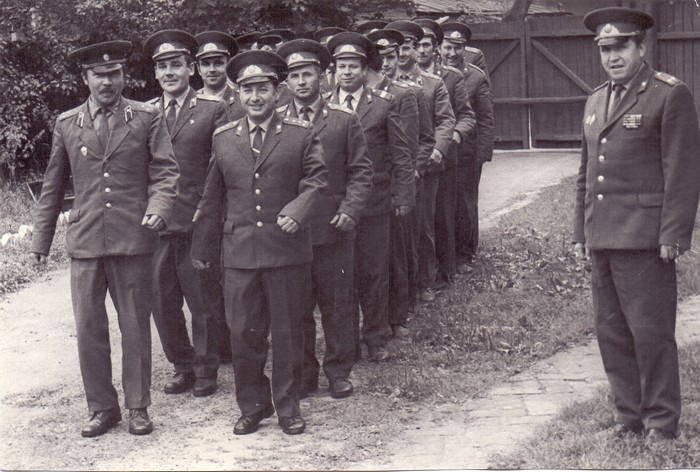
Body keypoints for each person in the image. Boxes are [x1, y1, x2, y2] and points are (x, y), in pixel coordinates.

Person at [29, 40, 179, 437]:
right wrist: (40, 242)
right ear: (86, 78)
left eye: (114, 74)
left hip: (133, 238)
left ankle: (138, 407)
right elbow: (53, 186)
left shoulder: (146, 116)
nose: (107, 81)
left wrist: (160, 207)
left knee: (135, 327)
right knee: (89, 330)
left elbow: (166, 171)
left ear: (124, 76)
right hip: (86, 241)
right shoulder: (67, 123)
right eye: (99, 74)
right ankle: (101, 408)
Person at [574, 7, 700, 441]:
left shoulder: (668, 94)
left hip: (645, 239)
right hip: (603, 236)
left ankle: (661, 421)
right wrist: (580, 233)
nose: (612, 57)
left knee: (650, 334)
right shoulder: (595, 100)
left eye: (620, 47)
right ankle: (628, 417)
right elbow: (586, 173)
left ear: (641, 47)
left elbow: (682, 171)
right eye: (604, 49)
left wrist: (674, 235)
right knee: (611, 333)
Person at [190, 50, 327, 435]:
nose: (255, 97)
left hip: (286, 252)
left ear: (277, 91)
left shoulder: (300, 133)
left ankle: (288, 406)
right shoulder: (223, 138)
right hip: (240, 254)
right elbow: (212, 196)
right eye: (247, 89)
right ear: (238, 93)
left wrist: (298, 211)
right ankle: (252, 405)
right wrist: (202, 247)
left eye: (262, 89)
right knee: (242, 334)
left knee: (287, 333)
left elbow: (317, 180)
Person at [276, 38, 373, 398]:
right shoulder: (276, 120)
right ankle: (304, 373)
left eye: (308, 74)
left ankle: (339, 371)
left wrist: (350, 209)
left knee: (337, 304)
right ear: (286, 82)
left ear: (322, 76)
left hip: (333, 227)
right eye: (294, 75)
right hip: (292, 231)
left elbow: (362, 172)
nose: (301, 82)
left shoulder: (343, 119)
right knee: (296, 307)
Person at [143, 29, 230, 398]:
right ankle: (183, 365)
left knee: (203, 301)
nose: (169, 72)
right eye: (162, 66)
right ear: (155, 73)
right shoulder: (145, 113)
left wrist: (206, 214)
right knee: (162, 301)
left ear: (190, 68)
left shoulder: (212, 109)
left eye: (175, 65)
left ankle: (207, 369)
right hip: (158, 224)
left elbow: (218, 168)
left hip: (196, 222)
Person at [325, 32, 414, 362]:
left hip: (375, 203)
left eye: (353, 66)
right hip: (337, 205)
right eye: (341, 66)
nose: (347, 72)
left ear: (365, 70)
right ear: (334, 71)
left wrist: (403, 196)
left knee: (374, 272)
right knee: (342, 275)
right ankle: (347, 342)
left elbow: (401, 154)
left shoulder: (382, 104)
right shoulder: (324, 106)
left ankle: (376, 336)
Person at [366, 27, 435, 338]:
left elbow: (418, 141)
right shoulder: (353, 96)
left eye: (390, 56)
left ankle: (400, 314)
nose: (384, 62)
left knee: (399, 251)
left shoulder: (406, 94)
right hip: (368, 187)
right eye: (378, 56)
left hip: (397, 183)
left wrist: (408, 178)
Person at [386, 20, 456, 303]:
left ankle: (425, 281)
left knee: (422, 225)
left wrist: (437, 150)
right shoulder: (381, 83)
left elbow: (446, 120)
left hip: (424, 167)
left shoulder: (431, 84)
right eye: (398, 50)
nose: (403, 54)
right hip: (392, 171)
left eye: (407, 48)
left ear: (415, 50)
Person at [415, 18, 474, 287]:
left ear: (435, 47)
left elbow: (466, 116)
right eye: (417, 45)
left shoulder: (450, 77)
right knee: (420, 220)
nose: (421, 50)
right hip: (416, 159)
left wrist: (453, 138)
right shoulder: (401, 77)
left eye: (426, 45)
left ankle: (446, 272)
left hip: (444, 158)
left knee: (443, 216)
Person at [440, 22, 494, 270]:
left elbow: (485, 117)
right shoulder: (434, 74)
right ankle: (447, 253)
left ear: (465, 49)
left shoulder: (475, 76)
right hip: (442, 152)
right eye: (448, 47)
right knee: (444, 204)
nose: (452, 53)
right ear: (440, 48)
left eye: (458, 48)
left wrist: (482, 153)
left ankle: (465, 254)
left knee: (465, 202)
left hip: (466, 152)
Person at [195, 31, 245, 120]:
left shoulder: (243, 101)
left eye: (218, 63)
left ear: (228, 66)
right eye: (206, 64)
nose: (212, 69)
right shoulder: (189, 102)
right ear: (199, 69)